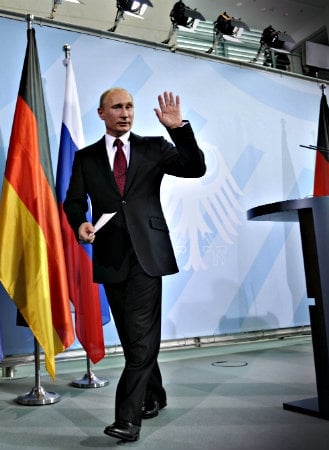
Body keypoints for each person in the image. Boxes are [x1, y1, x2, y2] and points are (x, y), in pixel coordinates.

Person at [63, 88, 206, 442]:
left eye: (129, 107)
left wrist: (179, 129)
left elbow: (195, 168)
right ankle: (154, 395)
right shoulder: (86, 158)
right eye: (117, 107)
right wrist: (79, 223)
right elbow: (73, 202)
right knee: (132, 337)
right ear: (101, 114)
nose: (125, 113)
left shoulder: (154, 146)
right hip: (110, 255)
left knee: (141, 337)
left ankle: (127, 420)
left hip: (148, 253)